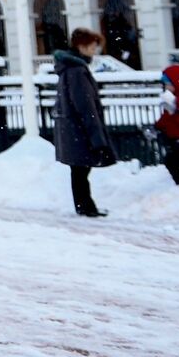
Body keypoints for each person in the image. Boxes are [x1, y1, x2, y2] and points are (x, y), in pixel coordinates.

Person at [53, 27, 118, 217]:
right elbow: (84, 104)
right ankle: (85, 207)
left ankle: (84, 206)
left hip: (73, 127)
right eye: (91, 47)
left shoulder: (69, 68)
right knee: (81, 169)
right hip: (79, 128)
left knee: (79, 169)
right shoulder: (77, 70)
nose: (94, 51)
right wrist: (95, 134)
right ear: (81, 46)